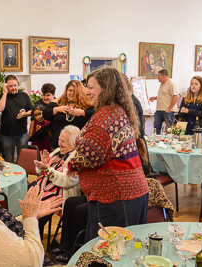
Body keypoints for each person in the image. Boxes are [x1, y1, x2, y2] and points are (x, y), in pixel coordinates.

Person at [68, 66, 149, 241]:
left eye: (91, 87)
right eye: (87, 87)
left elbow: (91, 154)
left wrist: (72, 164)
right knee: (126, 251)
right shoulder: (117, 110)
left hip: (116, 195)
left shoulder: (105, 116)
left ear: (106, 88)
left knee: (107, 253)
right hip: (130, 193)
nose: (87, 92)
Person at [33, 125, 81, 239]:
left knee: (37, 213)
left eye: (63, 141)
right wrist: (42, 165)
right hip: (44, 188)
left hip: (60, 194)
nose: (59, 143)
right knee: (30, 202)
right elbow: (40, 171)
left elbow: (68, 181)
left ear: (74, 143)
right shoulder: (57, 151)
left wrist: (47, 170)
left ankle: (34, 242)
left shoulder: (77, 158)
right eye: (59, 139)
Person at [43, 80, 94, 149]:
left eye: (75, 91)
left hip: (78, 147)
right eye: (70, 90)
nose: (72, 93)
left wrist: (82, 112)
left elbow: (96, 115)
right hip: (58, 147)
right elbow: (45, 114)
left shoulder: (87, 106)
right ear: (66, 91)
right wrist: (57, 109)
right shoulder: (58, 103)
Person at [0, 75, 33, 162]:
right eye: (10, 86)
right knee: (9, 160)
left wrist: (24, 114)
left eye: (15, 85)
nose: (13, 88)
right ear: (6, 86)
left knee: (23, 159)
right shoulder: (1, 96)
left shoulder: (24, 96)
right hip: (7, 134)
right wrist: (5, 92)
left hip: (22, 133)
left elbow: (32, 111)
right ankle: (10, 175)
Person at [149, 69, 179, 134]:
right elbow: (165, 95)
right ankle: (157, 140)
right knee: (156, 127)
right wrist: (156, 98)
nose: (157, 78)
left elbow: (176, 96)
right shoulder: (162, 84)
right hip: (159, 110)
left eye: (159, 76)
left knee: (169, 128)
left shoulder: (171, 84)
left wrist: (169, 109)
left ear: (164, 76)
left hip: (167, 111)